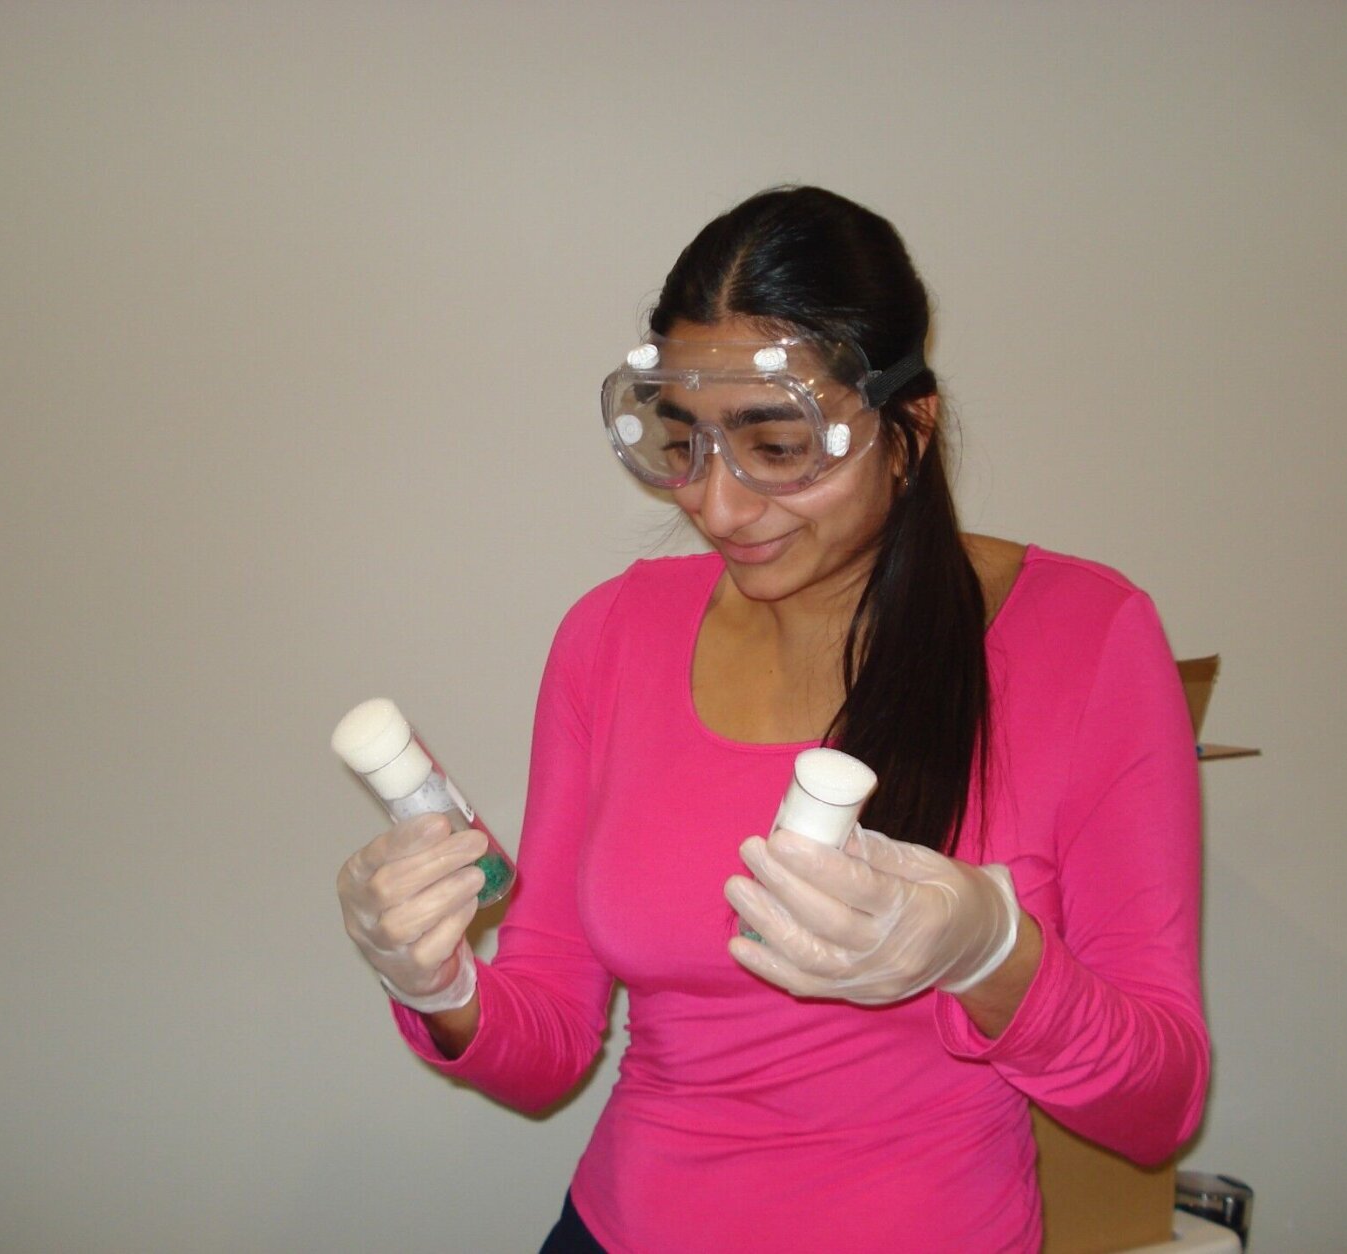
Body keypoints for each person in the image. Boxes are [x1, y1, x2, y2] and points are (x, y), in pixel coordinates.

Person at [336, 186, 1209, 1252]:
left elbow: (1154, 1106)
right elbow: (550, 1043)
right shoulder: (611, 638)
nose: (715, 506)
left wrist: (991, 953)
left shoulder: (1083, 637)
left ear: (908, 429)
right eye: (683, 445)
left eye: (778, 449)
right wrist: (434, 983)